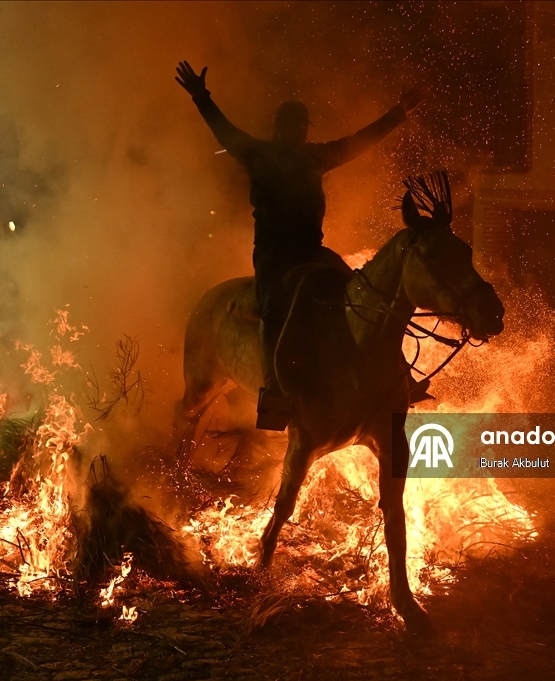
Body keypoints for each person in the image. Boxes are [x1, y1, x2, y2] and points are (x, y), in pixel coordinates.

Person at [176, 60, 428, 429]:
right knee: (273, 309)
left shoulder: (315, 157)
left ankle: (398, 374)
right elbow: (224, 132)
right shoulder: (259, 154)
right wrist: (201, 97)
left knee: (364, 294)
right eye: (291, 125)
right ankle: (275, 389)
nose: (296, 132)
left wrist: (399, 113)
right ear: (281, 127)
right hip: (275, 255)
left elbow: (359, 142)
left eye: (299, 126)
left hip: (313, 251)